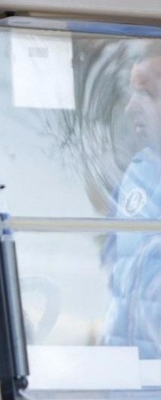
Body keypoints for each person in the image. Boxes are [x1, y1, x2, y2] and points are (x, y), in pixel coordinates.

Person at [99, 41, 161, 359]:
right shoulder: (135, 174)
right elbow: (110, 273)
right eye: (133, 92)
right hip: (122, 370)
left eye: (146, 93)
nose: (130, 106)